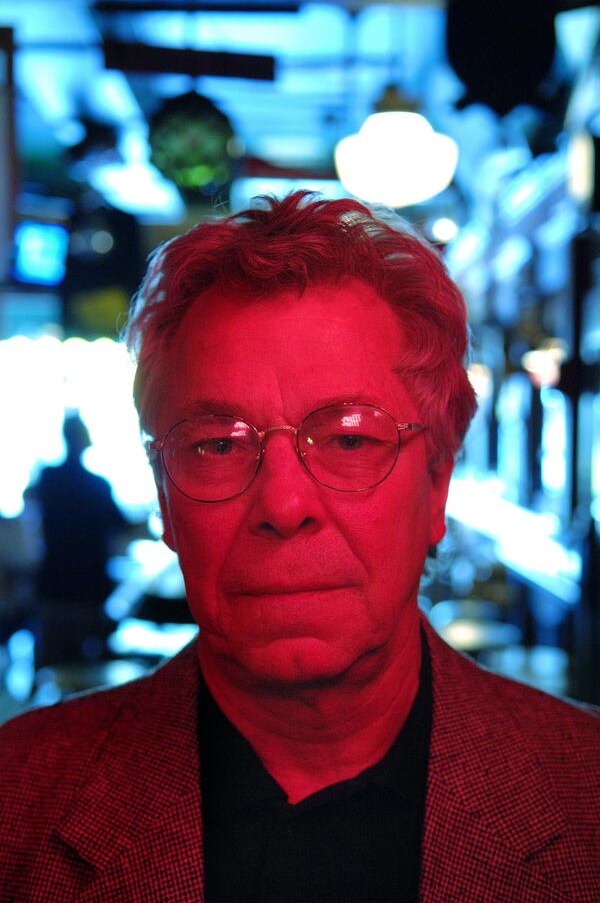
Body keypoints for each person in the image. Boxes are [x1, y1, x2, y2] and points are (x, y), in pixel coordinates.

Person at [0, 192, 598, 902]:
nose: (284, 506)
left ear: (437, 483)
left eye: (350, 437)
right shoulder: (19, 803)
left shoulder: (583, 793)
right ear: (164, 497)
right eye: (217, 445)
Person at [28, 413, 127, 666]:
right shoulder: (97, 486)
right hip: (88, 589)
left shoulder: (48, 478)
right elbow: (122, 525)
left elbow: (29, 503)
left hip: (54, 585)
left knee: (50, 666)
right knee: (86, 669)